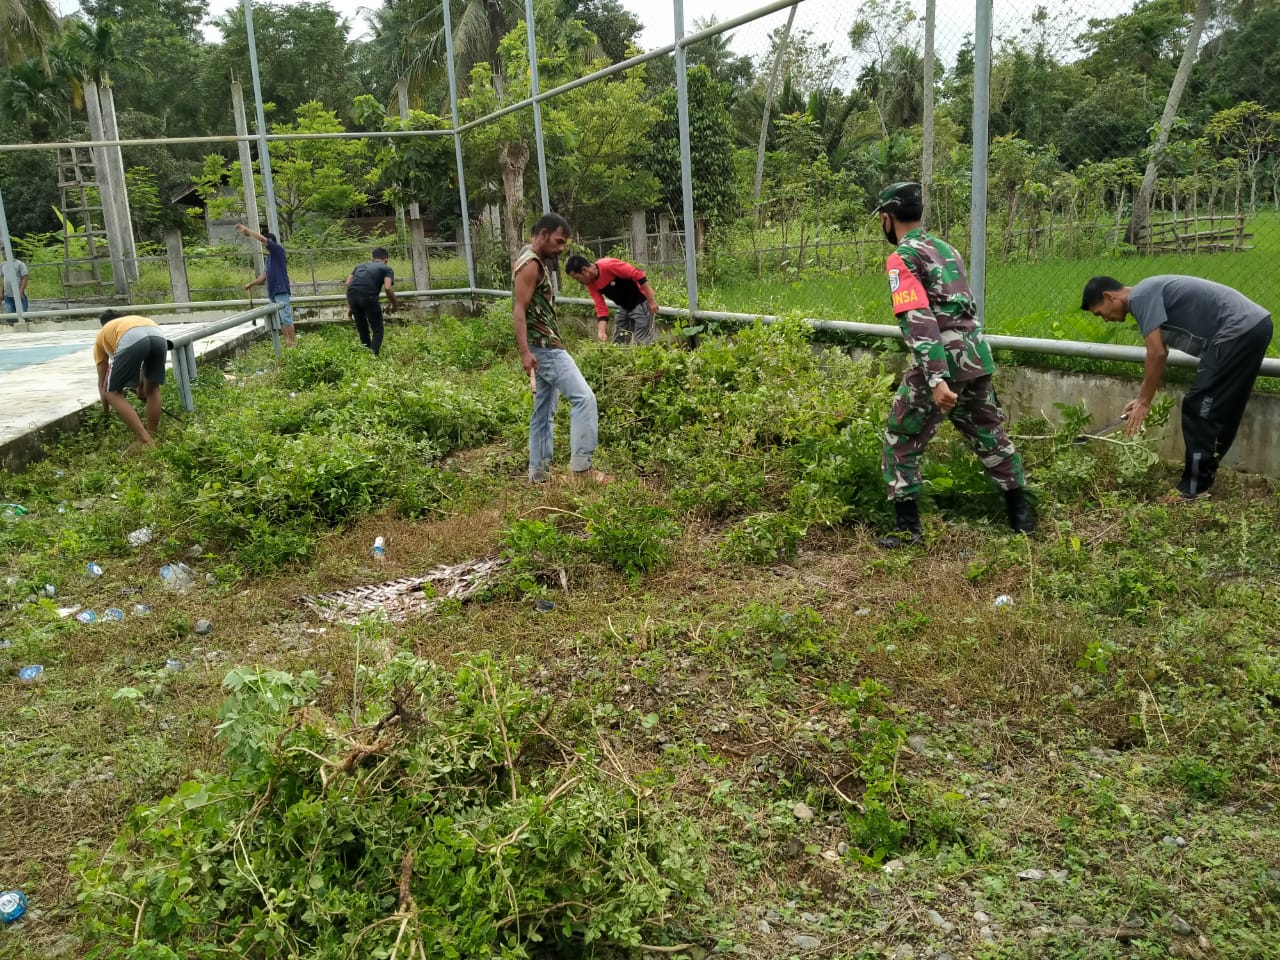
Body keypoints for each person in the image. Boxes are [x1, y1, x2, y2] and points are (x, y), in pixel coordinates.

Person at [873, 181, 1035, 547]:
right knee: (989, 435)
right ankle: (1022, 519)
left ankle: (908, 530)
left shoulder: (902, 257)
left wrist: (936, 377)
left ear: (887, 218)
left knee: (901, 437)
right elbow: (964, 308)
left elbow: (919, 316)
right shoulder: (946, 248)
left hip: (943, 360)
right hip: (976, 355)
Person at [1081, 275, 1273, 500]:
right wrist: (1142, 397)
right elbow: (1160, 349)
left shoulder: (1140, 296)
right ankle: (1202, 480)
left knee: (1198, 407)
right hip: (1255, 326)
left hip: (1237, 330)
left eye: (1099, 312)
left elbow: (1157, 353)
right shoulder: (1148, 293)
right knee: (1222, 409)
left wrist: (1144, 401)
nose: (1104, 319)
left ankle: (1192, 489)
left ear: (1108, 297)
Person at [514, 213, 609, 485]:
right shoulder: (531, 265)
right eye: (557, 241)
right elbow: (518, 310)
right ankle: (582, 470)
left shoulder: (527, 257)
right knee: (584, 398)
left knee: (543, 412)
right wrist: (524, 353)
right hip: (546, 347)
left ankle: (538, 474)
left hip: (539, 346)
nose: (560, 249)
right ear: (542, 235)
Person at [92, 309, 169, 452]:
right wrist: (141, 386)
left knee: (111, 392)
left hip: (132, 338)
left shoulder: (101, 335)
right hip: (158, 335)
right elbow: (140, 356)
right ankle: (153, 435)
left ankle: (144, 439)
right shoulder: (129, 321)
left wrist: (106, 411)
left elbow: (103, 382)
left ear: (103, 325)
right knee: (151, 390)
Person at [564, 254, 660, 345]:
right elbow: (601, 308)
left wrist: (651, 300)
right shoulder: (591, 284)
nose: (579, 282)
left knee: (643, 342)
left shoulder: (607, 265)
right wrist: (601, 332)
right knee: (618, 342)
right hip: (624, 307)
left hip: (641, 302)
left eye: (577, 278)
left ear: (584, 270)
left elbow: (638, 274)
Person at [237, 224, 296, 347]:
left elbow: (263, 239)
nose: (264, 245)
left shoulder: (278, 250)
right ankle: (287, 342)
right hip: (273, 291)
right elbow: (264, 277)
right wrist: (251, 284)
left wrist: (247, 230)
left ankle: (293, 343)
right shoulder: (269, 259)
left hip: (281, 289)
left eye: (265, 242)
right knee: (280, 319)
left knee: (285, 317)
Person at [344, 247, 397, 356]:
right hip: (368, 296)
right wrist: (395, 304)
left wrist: (350, 307)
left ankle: (367, 354)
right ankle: (372, 357)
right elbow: (387, 287)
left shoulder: (359, 266)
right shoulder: (386, 269)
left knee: (362, 328)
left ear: (372, 258)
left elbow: (348, 283)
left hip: (352, 295)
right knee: (378, 329)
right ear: (386, 260)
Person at [2, 246, 29, 321]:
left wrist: (20, 292)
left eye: (5, 254)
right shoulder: (2, 265)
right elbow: (4, 279)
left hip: (19, 295)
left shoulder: (19, 264)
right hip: (8, 296)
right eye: (2, 254)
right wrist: (2, 293)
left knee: (22, 316)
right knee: (10, 317)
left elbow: (25, 278)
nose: (3, 256)